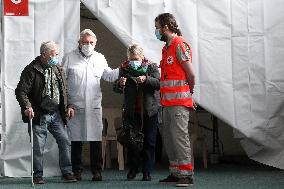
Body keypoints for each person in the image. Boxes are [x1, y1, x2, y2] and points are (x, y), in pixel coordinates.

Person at [15, 41, 77, 184]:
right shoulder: (31, 69)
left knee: (65, 141)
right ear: (44, 55)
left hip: (56, 114)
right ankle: (37, 175)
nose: (56, 57)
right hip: (39, 114)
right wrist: (27, 106)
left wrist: (69, 106)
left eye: (57, 54)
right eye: (54, 54)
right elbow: (21, 91)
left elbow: (65, 92)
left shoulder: (58, 69)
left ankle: (67, 172)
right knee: (38, 147)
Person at [61, 29, 119, 181]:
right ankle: (77, 171)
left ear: (95, 43)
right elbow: (61, 81)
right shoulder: (69, 57)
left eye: (91, 42)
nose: (88, 45)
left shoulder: (99, 58)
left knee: (95, 140)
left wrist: (124, 69)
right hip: (74, 106)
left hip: (93, 106)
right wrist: (67, 104)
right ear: (79, 43)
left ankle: (97, 171)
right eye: (85, 42)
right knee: (75, 139)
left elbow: (108, 75)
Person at [154, 13, 197, 187]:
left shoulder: (179, 44)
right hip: (167, 103)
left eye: (157, 27)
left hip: (179, 103)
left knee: (180, 138)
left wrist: (189, 91)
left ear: (165, 27)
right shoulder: (166, 48)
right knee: (169, 138)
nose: (156, 31)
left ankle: (187, 174)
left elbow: (191, 74)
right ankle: (175, 172)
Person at [113, 44, 160, 181]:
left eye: (136, 58)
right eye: (131, 58)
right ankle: (133, 169)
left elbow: (158, 83)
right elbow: (116, 88)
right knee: (132, 142)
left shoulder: (151, 66)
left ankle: (147, 172)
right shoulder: (124, 67)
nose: (133, 61)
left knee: (149, 142)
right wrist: (119, 83)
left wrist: (146, 79)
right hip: (132, 112)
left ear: (142, 57)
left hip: (149, 111)